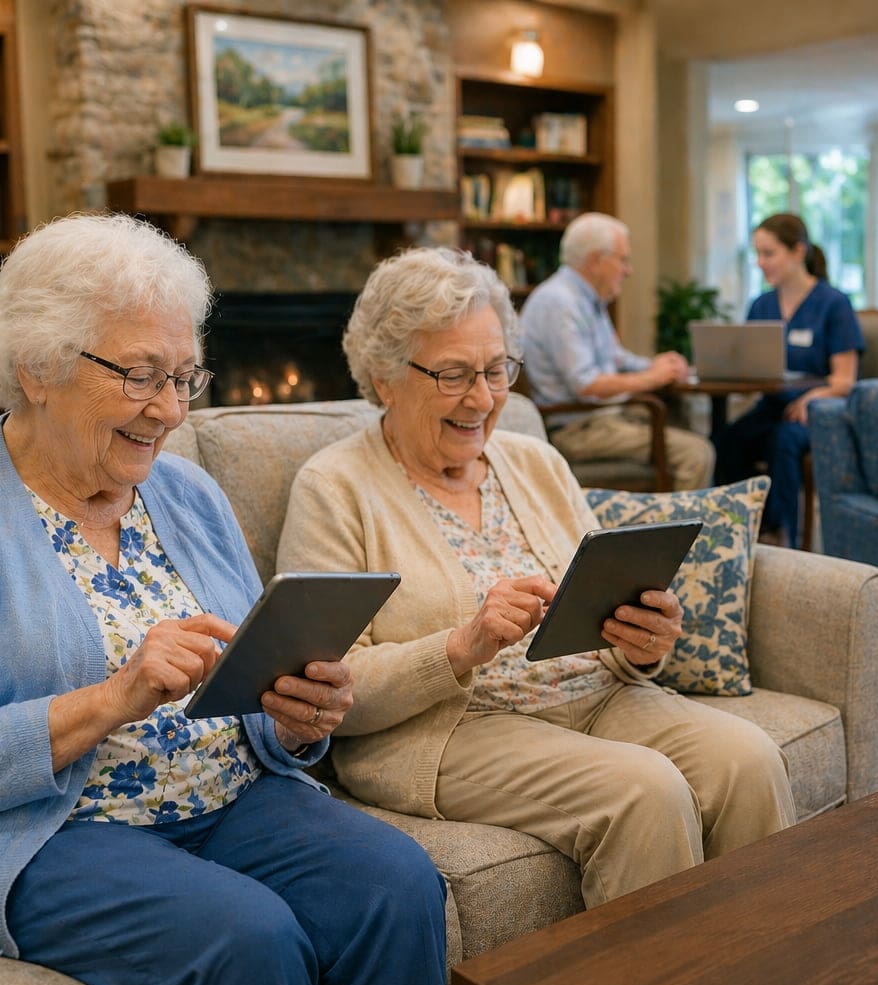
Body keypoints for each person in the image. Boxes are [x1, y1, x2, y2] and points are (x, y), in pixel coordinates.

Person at [0, 214, 449, 985]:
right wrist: (113, 698)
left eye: (185, 378)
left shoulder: (187, 495)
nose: (172, 412)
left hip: (230, 799)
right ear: (38, 366)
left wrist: (293, 720)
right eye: (142, 376)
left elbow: (251, 686)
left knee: (396, 883)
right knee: (246, 940)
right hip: (51, 831)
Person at [275, 246, 795, 909]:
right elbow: (322, 685)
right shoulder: (335, 486)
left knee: (749, 761)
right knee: (646, 791)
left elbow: (602, 613)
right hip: (451, 727)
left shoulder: (536, 462)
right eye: (456, 374)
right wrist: (462, 645)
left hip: (597, 694)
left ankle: (763, 984)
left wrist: (641, 645)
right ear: (384, 375)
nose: (485, 398)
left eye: (497, 370)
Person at [520, 211, 715, 491]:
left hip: (600, 419)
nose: (628, 270)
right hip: (577, 429)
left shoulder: (586, 299)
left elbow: (616, 358)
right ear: (596, 261)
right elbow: (586, 384)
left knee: (683, 420)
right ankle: (676, 533)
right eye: (623, 260)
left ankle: (661, 522)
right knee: (696, 454)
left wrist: (658, 365)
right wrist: (652, 378)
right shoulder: (560, 303)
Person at [714, 213, 862, 547]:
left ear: (797, 252)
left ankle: (783, 535)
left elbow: (845, 380)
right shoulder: (761, 305)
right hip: (772, 407)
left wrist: (812, 398)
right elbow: (751, 368)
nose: (761, 263)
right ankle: (737, 531)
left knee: (783, 441)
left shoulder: (833, 305)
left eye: (769, 254)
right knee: (727, 440)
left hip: (820, 411)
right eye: (758, 254)